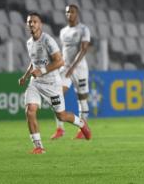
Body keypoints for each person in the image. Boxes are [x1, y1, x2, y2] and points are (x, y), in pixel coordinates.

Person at [19, 12, 91, 154]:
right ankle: (38, 146)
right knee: (30, 110)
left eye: (34, 21)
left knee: (61, 116)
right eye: (29, 22)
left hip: (52, 83)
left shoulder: (48, 41)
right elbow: (33, 62)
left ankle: (81, 123)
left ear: (40, 24)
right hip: (36, 83)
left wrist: (42, 71)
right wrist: (26, 76)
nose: (31, 24)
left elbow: (60, 61)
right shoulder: (29, 42)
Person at [50, 4, 91, 140]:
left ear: (77, 14)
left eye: (72, 12)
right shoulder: (63, 31)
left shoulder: (84, 29)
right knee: (56, 94)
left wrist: (73, 67)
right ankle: (60, 129)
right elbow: (65, 51)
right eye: (67, 12)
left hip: (79, 69)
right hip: (65, 68)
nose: (69, 14)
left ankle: (82, 129)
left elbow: (84, 49)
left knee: (82, 99)